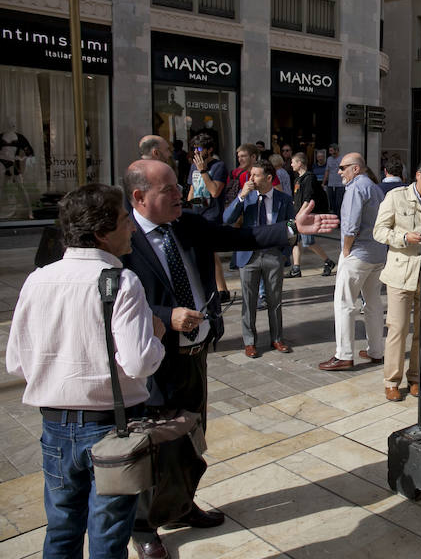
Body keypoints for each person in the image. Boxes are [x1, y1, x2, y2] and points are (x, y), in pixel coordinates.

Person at [122, 159, 337, 558]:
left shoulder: (185, 223)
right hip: (151, 360)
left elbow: (239, 236)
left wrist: (292, 229)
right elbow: (112, 300)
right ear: (139, 197)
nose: (180, 195)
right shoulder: (122, 238)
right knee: (153, 445)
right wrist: (165, 316)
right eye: (168, 189)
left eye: (176, 186)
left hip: (195, 352)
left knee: (191, 436)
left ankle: (182, 505)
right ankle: (143, 525)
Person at [6, 184, 165, 559]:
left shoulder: (38, 279)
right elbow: (140, 362)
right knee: (108, 537)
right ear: (101, 234)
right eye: (126, 221)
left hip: (55, 428)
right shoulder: (122, 281)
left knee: (61, 530)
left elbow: (16, 362)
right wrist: (156, 335)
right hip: (112, 428)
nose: (133, 229)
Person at [318, 153, 388, 371]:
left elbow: (350, 225)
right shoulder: (375, 188)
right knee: (373, 304)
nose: (339, 172)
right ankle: (376, 351)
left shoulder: (356, 188)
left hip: (358, 254)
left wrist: (346, 250)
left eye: (342, 168)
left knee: (344, 304)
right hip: (378, 254)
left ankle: (344, 355)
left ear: (355, 169)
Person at [223, 158, 294, 358]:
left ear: (269, 178)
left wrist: (283, 254)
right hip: (249, 255)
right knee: (248, 300)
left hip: (273, 254)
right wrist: (241, 197)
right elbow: (227, 219)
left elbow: (292, 227)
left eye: (255, 175)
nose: (250, 178)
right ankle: (249, 341)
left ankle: (277, 338)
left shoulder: (284, 199)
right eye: (250, 174)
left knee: (275, 300)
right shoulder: (247, 197)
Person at [373, 162, 421, 401]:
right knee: (398, 328)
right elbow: (379, 231)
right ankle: (392, 381)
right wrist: (403, 237)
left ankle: (415, 378)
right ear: (417, 175)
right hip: (400, 275)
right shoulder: (396, 196)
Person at [186, 133, 230, 302]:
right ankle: (219, 288)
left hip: (211, 214)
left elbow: (214, 191)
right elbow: (191, 189)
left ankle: (220, 289)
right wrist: (187, 207)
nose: (196, 152)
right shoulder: (192, 166)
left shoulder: (218, 166)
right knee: (206, 252)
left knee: (209, 252)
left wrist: (203, 170)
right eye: (194, 149)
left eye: (200, 148)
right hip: (196, 211)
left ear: (210, 149)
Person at [287, 151, 336, 278]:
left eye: (293, 162)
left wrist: (300, 214)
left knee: (308, 242)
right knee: (295, 241)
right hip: (296, 214)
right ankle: (296, 268)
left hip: (304, 215)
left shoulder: (309, 177)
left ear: (299, 163)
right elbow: (298, 197)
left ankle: (328, 261)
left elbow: (308, 199)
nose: (291, 165)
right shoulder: (297, 179)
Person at [323, 143, 346, 211]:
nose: (330, 153)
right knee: (331, 202)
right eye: (330, 151)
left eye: (331, 151)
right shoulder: (329, 159)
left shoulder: (342, 159)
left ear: (336, 150)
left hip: (340, 184)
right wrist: (324, 182)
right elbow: (327, 171)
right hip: (331, 183)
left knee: (338, 202)